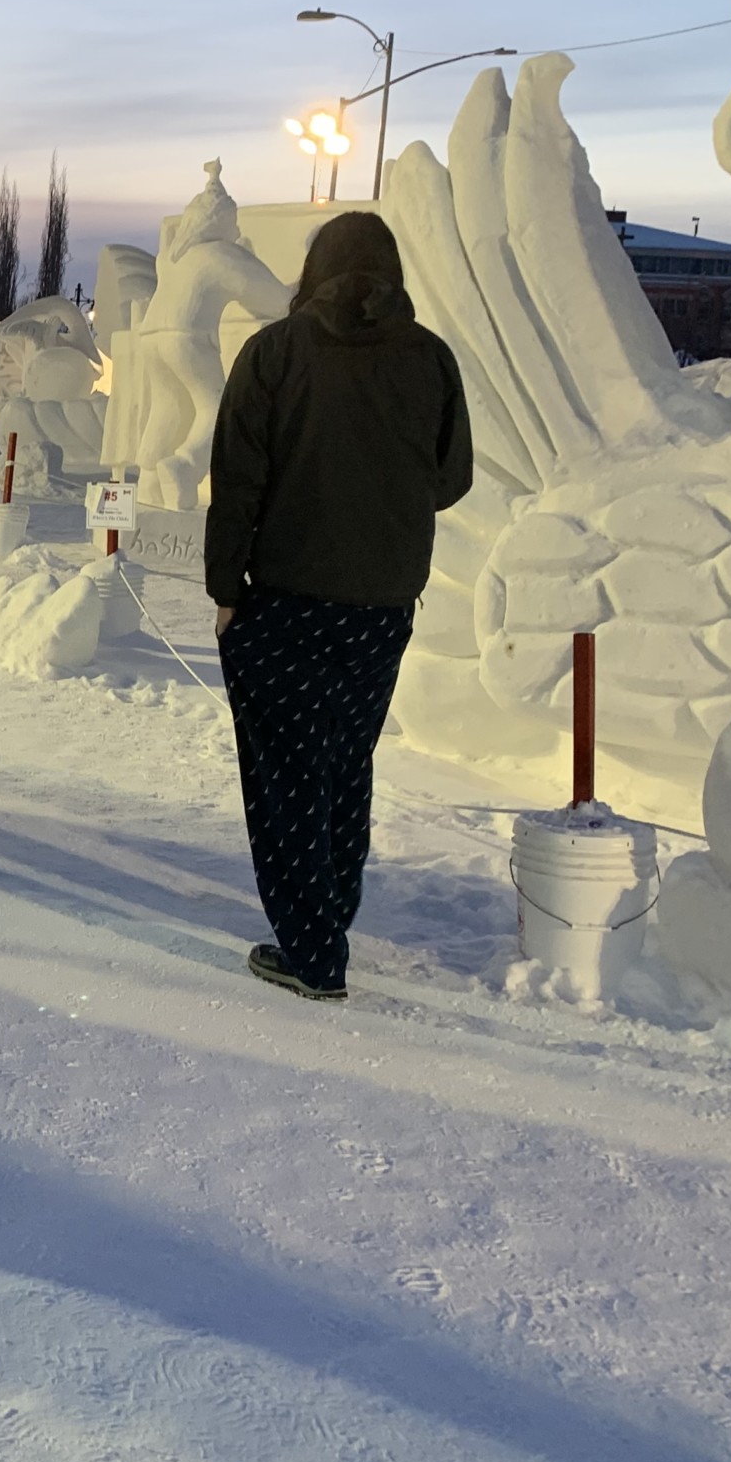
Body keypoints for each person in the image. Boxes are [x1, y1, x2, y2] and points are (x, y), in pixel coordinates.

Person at [207, 210, 473, 1004]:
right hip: (384, 602)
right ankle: (332, 913)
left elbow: (238, 483)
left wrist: (227, 590)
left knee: (286, 771)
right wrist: (384, 493)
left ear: (312, 271)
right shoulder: (428, 358)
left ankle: (313, 952)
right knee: (345, 759)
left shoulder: (275, 354)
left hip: (283, 598)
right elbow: (451, 478)